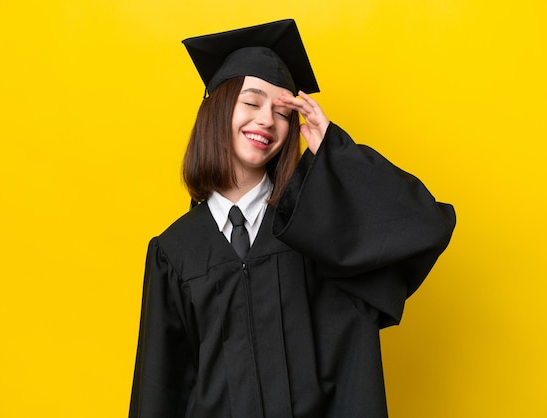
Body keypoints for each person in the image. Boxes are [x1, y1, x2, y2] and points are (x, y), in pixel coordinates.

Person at [129, 19, 456, 418]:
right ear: (217, 108)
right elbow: (160, 390)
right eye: (252, 102)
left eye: (283, 112)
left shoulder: (317, 229)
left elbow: (425, 226)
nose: (267, 120)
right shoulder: (174, 252)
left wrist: (334, 152)